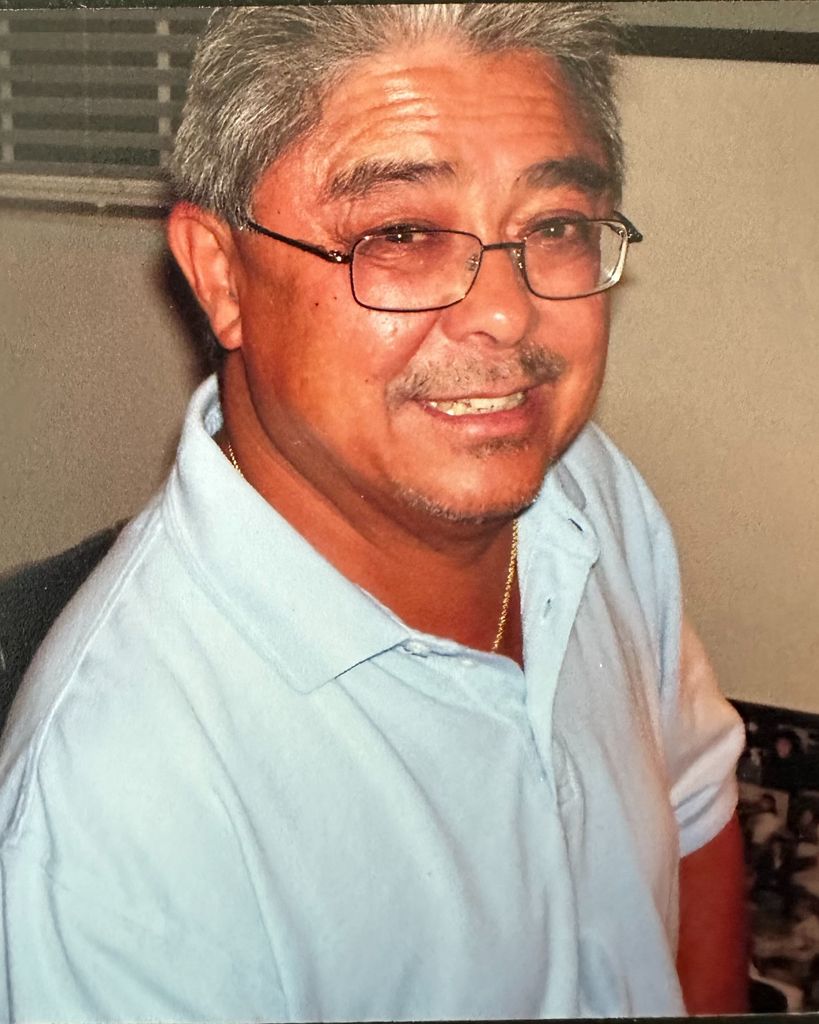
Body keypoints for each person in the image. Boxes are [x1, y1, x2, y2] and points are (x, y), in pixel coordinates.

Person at [0, 4, 746, 1020]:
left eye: (555, 227)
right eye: (400, 235)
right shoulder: (116, 822)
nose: (506, 312)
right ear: (221, 276)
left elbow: (696, 808)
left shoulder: (587, 488)